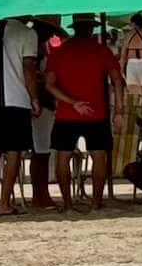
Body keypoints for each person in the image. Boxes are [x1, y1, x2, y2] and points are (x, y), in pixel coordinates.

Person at [44, 13, 120, 209]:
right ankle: (95, 203)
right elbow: (118, 81)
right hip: (96, 111)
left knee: (63, 156)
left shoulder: (59, 52)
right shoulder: (101, 50)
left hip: (66, 113)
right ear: (91, 29)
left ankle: (67, 204)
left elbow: (49, 85)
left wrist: (72, 102)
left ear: (74, 28)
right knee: (99, 156)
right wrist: (119, 109)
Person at [0, 14, 41, 214]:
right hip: (18, 99)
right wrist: (34, 98)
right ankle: (4, 203)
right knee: (14, 152)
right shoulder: (27, 33)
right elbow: (28, 68)